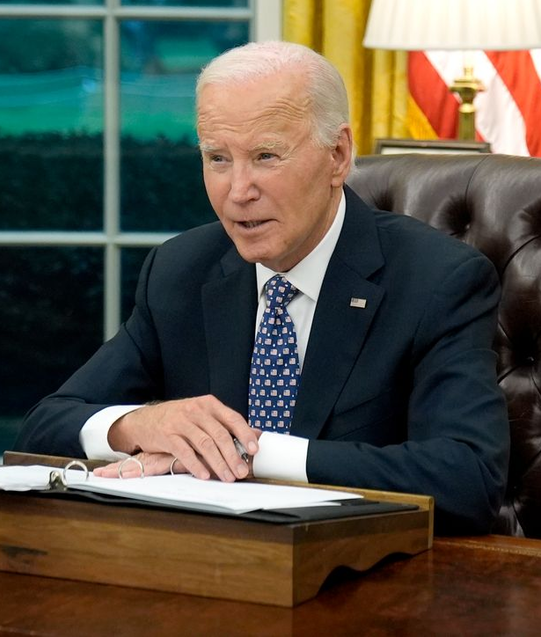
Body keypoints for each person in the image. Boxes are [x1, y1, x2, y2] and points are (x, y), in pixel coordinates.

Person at [16, 41, 510, 534]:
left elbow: (468, 480)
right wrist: (137, 426)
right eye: (218, 159)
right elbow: (45, 425)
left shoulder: (436, 280)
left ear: (337, 156)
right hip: (209, 568)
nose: (238, 191)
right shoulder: (181, 270)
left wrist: (249, 451)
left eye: (266, 156)